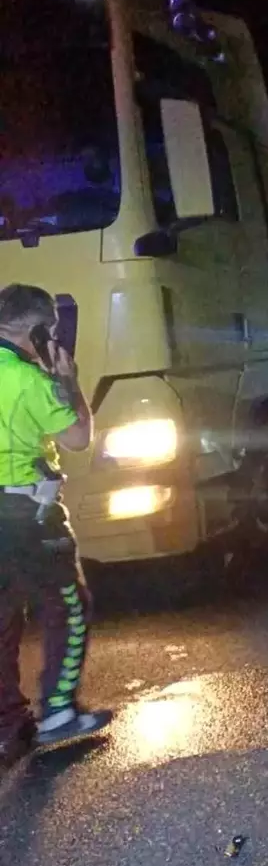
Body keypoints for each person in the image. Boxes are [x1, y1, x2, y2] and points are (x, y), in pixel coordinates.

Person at [0, 283, 111, 767]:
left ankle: (7, 723)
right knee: (67, 604)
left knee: (2, 621)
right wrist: (71, 381)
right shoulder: (31, 381)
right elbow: (79, 437)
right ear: (40, 329)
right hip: (28, 516)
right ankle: (58, 710)